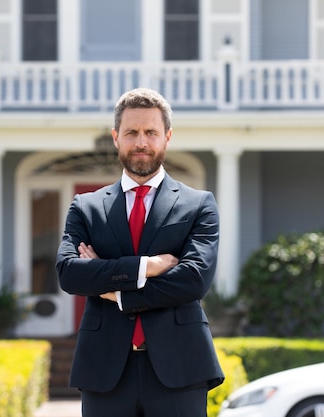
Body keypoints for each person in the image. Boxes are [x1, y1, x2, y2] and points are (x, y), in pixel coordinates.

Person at [56, 87, 224, 417]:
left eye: (151, 132)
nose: (141, 142)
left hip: (181, 368)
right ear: (116, 137)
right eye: (132, 132)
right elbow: (70, 272)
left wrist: (115, 292)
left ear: (167, 137)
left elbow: (193, 280)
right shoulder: (86, 207)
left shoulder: (199, 204)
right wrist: (148, 266)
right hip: (105, 369)